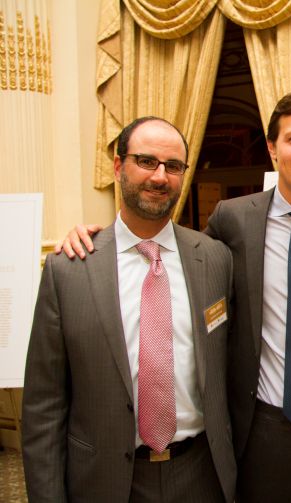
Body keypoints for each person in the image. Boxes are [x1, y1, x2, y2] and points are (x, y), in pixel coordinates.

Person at [56, 89, 291, 502]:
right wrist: (100, 238)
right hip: (261, 429)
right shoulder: (233, 220)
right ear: (272, 148)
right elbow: (175, 257)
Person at [23, 117, 236, 502]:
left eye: (173, 166)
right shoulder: (69, 269)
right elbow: (44, 408)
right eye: (146, 161)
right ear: (119, 166)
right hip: (104, 480)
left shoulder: (215, 259)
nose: (160, 176)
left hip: (201, 475)